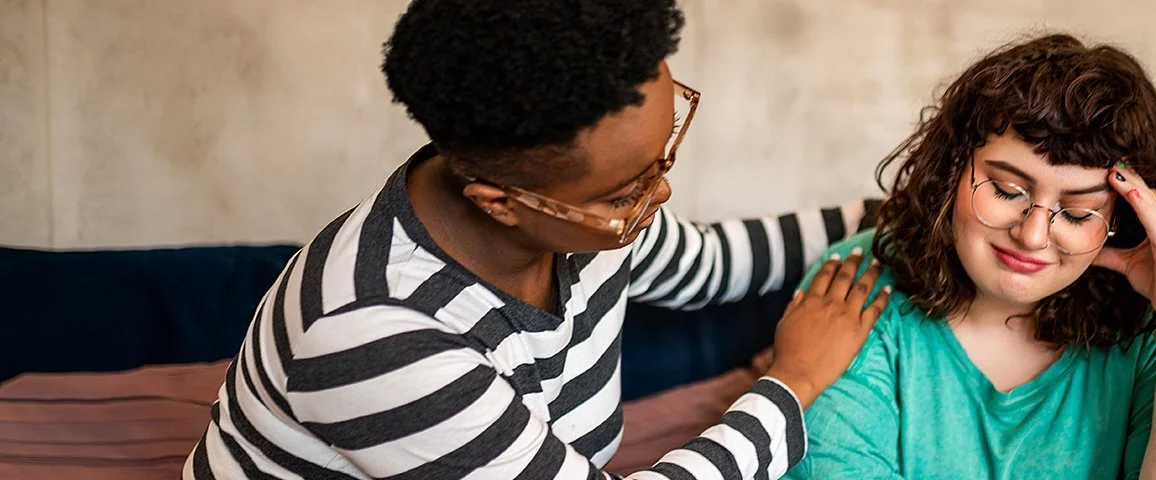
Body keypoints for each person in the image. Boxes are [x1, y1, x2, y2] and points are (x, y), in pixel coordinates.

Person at [183, 0, 890, 478]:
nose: (661, 194)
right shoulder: (373, 336)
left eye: (662, 157)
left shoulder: (587, 221)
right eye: (627, 188)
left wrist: (894, 211)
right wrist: (794, 381)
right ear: (500, 203)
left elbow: (707, 264)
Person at [783, 35, 1156, 479]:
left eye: (1078, 214)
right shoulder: (856, 280)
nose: (1033, 235)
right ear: (951, 171)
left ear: (1120, 219)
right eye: (1006, 190)